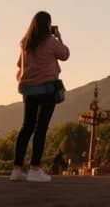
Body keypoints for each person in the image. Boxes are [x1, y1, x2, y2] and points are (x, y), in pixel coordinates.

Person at [9, 11, 69, 183]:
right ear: (48, 25)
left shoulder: (25, 42)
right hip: (47, 89)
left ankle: (17, 169)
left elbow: (20, 64)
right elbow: (65, 54)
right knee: (41, 128)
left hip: (28, 90)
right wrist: (58, 37)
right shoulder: (50, 41)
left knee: (26, 127)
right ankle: (35, 168)